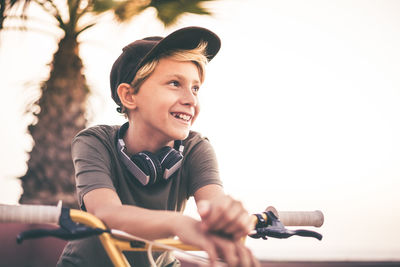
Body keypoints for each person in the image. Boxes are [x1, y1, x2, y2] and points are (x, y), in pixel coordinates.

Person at [57, 26, 260, 267]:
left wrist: (227, 217)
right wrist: (178, 223)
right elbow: (105, 213)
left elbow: (213, 204)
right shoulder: (94, 142)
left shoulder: (196, 148)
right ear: (129, 96)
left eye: (195, 88)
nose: (191, 99)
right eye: (175, 83)